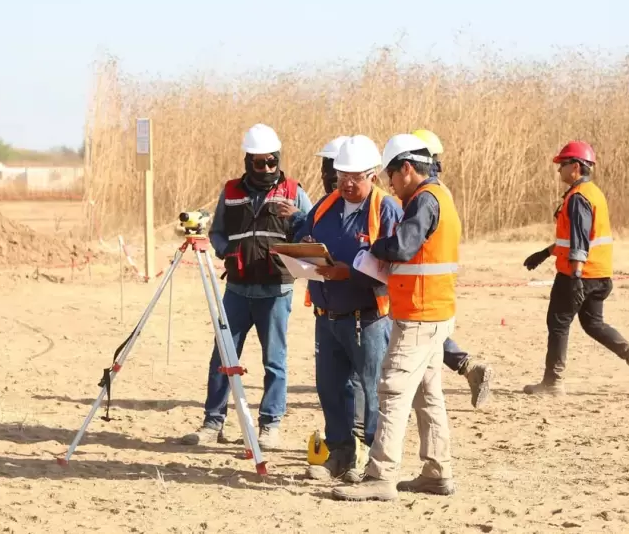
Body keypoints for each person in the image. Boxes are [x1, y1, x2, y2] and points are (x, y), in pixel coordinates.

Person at [333, 133, 460, 502]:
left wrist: (373, 248)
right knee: (427, 393)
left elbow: (403, 245)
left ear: (407, 168)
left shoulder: (424, 200)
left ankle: (381, 474)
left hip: (420, 315)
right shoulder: (441, 196)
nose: (390, 184)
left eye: (392, 174)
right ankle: (437, 471)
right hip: (434, 311)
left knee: (392, 390)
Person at [181, 123, 312, 449]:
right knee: (222, 356)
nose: (267, 168)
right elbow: (218, 232)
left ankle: (271, 425)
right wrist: (228, 251)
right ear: (248, 162)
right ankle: (213, 423)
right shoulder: (231, 192)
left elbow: (311, 231)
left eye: (272, 162)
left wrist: (296, 218)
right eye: (259, 163)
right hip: (237, 289)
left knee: (275, 361)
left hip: (276, 290)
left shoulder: (294, 192)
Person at [292, 135, 402, 483]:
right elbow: (306, 237)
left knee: (372, 390)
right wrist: (304, 249)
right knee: (330, 387)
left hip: (366, 318)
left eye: (355, 177)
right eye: (342, 176)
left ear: (374, 175)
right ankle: (339, 454)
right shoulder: (324, 207)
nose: (347, 183)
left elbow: (391, 267)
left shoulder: (386, 210)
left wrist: (347, 272)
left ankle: (373, 458)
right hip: (327, 316)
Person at [521, 141, 629, 396]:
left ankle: (552, 382)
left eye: (562, 165)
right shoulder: (591, 192)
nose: (558, 170)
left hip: (580, 274)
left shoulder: (578, 198)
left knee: (558, 323)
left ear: (576, 167)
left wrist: (575, 276)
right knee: (593, 323)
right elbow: (574, 238)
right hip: (599, 273)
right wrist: (546, 252)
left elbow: (580, 239)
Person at [411, 128, 493, 408]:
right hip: (436, 279)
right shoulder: (438, 191)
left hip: (421, 280)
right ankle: (469, 367)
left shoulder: (424, 196)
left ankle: (468, 367)